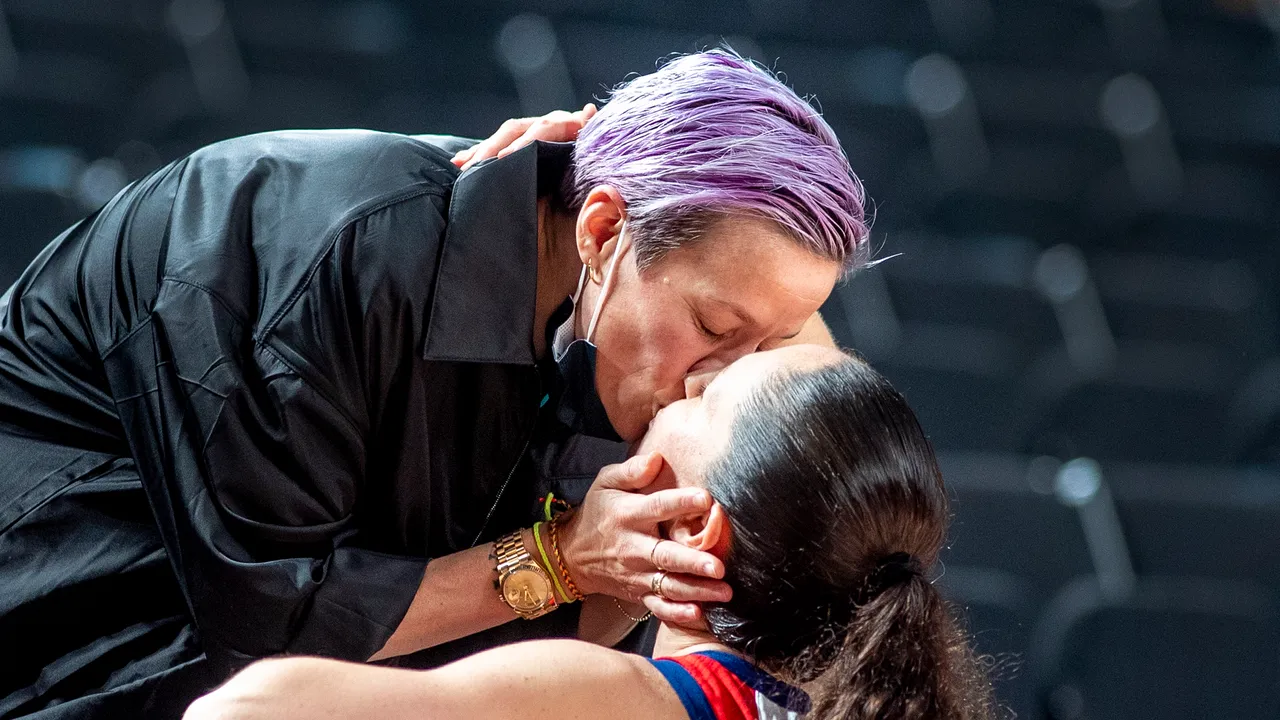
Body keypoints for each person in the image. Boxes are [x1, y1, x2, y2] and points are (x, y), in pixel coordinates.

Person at [0, 49, 871, 717]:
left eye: (768, 341)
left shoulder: (619, 285)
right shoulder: (327, 247)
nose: (717, 378)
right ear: (604, 228)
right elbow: (266, 632)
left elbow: (825, 414)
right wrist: (557, 561)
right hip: (72, 607)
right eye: (717, 331)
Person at [184, 344, 996, 720]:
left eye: (703, 401)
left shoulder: (624, 701)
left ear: (692, 526)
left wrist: (554, 566)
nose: (684, 381)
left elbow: (245, 714)